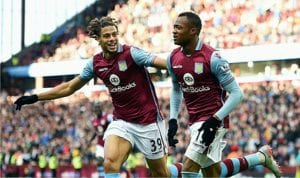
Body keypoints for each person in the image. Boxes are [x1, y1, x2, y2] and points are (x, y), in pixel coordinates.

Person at [14, 16, 182, 178]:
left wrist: (186, 69)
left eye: (114, 34)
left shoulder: (132, 54)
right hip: (123, 122)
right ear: (98, 39)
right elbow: (70, 87)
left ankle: (180, 170)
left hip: (149, 122)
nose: (112, 39)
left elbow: (165, 64)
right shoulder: (95, 64)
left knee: (161, 174)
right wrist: (36, 97)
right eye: (106, 36)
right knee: (110, 163)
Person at [166, 11, 281, 178]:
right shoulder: (173, 58)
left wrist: (214, 121)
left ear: (193, 31)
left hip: (213, 121)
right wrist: (173, 119)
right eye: (174, 27)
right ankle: (260, 157)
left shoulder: (212, 58)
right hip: (194, 121)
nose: (174, 31)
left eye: (178, 27)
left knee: (188, 170)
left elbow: (237, 94)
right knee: (213, 173)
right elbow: (176, 89)